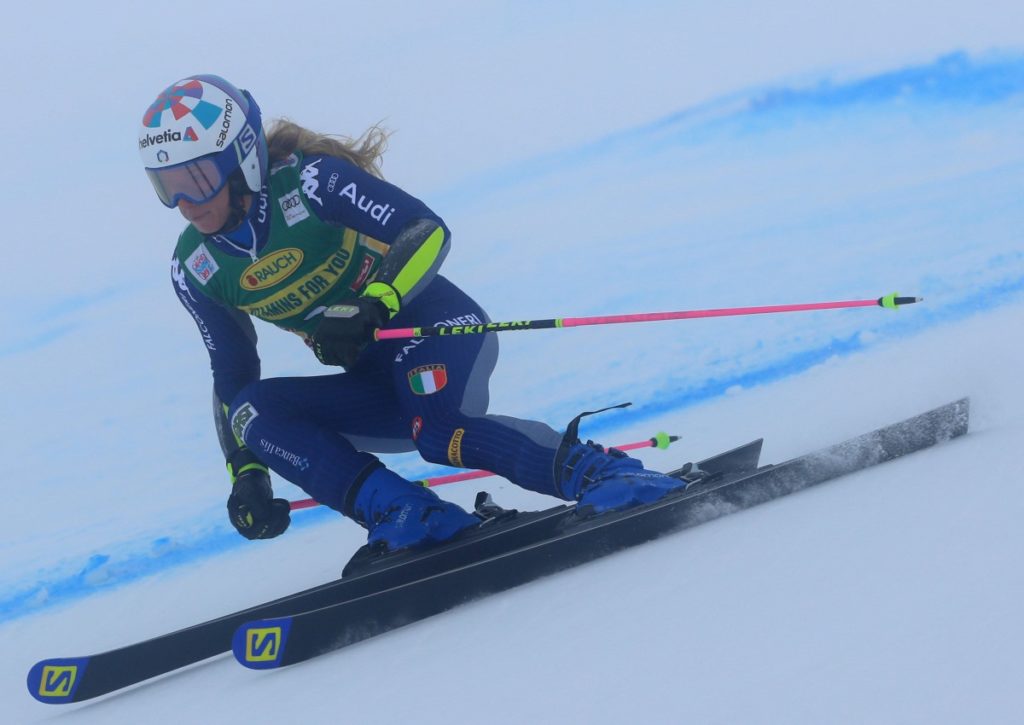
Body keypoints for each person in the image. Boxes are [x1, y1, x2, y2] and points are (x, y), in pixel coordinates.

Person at [139, 74, 686, 553]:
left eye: (200, 179)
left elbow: (426, 231)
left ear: (244, 160)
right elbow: (232, 377)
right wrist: (247, 472)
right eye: (168, 187)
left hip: (439, 328)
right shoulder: (197, 266)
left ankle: (602, 473)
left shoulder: (311, 183)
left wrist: (376, 300)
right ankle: (409, 515)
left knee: (440, 431)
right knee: (253, 412)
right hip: (376, 382)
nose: (187, 203)